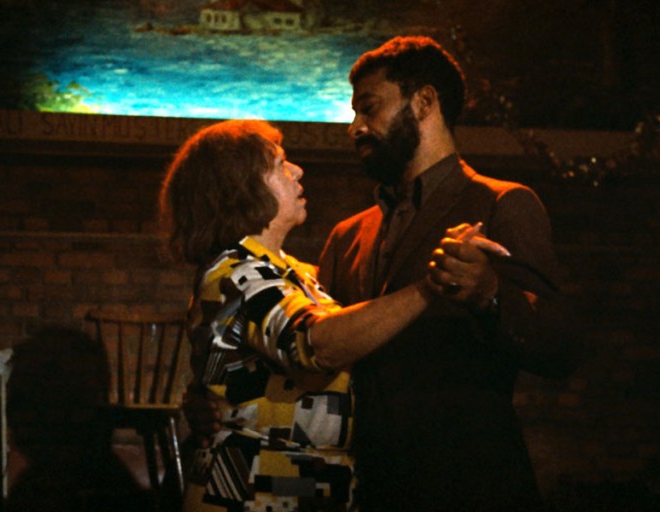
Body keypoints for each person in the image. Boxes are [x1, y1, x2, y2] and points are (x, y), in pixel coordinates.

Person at [160, 119, 503, 511]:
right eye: (279, 164)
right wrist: (430, 286)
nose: (297, 171)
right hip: (248, 493)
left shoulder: (293, 272)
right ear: (241, 187)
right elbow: (313, 343)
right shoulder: (237, 274)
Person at [317, 36, 579, 511]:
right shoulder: (346, 236)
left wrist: (490, 293)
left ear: (423, 102)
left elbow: (558, 348)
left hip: (471, 485)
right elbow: (316, 353)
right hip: (366, 490)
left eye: (368, 108)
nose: (354, 128)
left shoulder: (502, 203)